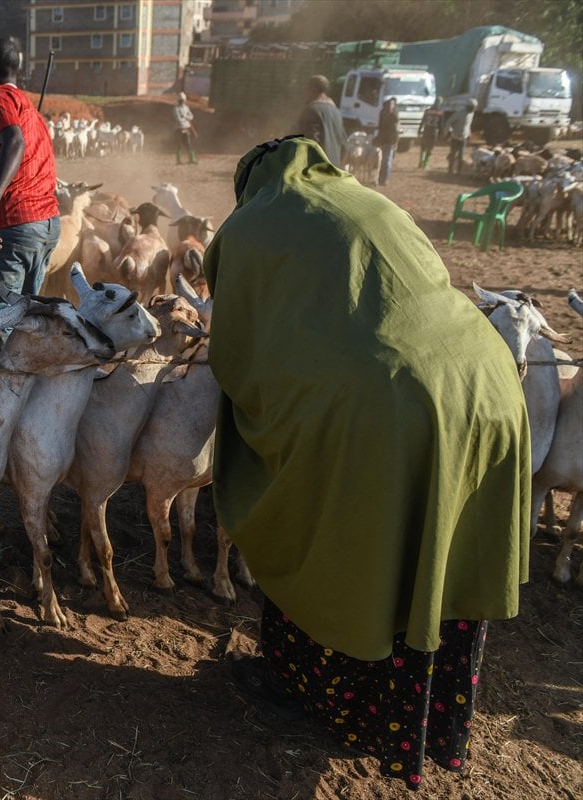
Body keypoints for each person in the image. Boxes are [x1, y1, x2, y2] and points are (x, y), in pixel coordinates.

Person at [206, 136, 529, 791]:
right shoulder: (370, 200)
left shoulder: (250, 225)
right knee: (445, 546)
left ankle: (327, 702)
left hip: (388, 402)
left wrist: (271, 417)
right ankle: (423, 718)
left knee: (323, 525)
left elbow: (239, 348)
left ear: (251, 183)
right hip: (486, 380)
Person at [0, 37, 59, 313]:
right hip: (46, 225)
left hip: (16, 223)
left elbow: (14, 141)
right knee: (22, 319)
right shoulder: (30, 109)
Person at [296, 75, 348, 167]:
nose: (305, 93)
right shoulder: (336, 112)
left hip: (317, 168)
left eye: (307, 89)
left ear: (313, 89)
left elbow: (311, 141)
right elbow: (344, 145)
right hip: (334, 168)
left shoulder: (311, 110)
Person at [446, 99, 476, 175]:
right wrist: (448, 132)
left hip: (464, 137)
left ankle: (459, 171)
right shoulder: (459, 113)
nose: (473, 109)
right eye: (472, 107)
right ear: (467, 106)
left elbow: (468, 125)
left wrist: (469, 134)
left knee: (461, 156)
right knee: (453, 154)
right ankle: (450, 169)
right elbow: (449, 122)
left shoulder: (471, 114)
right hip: (455, 137)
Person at [375, 97, 400, 185]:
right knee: (385, 160)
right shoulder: (387, 114)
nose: (391, 106)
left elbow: (395, 129)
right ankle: (383, 178)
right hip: (387, 139)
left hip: (389, 140)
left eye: (392, 105)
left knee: (386, 159)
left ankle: (383, 178)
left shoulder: (390, 114)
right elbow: (381, 126)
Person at [417, 100, 444, 169]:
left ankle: (421, 161)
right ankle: (426, 163)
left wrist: (419, 130)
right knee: (430, 148)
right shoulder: (440, 113)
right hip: (433, 132)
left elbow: (423, 121)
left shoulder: (427, 111)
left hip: (426, 130)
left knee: (423, 147)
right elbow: (440, 125)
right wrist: (441, 134)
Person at [174, 92, 198, 165]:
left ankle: (192, 159)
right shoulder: (176, 108)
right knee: (179, 144)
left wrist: (184, 117)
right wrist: (186, 119)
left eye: (183, 100)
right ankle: (178, 160)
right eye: (181, 100)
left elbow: (191, 116)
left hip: (186, 128)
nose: (182, 101)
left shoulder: (186, 108)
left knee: (188, 144)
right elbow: (178, 119)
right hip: (179, 128)